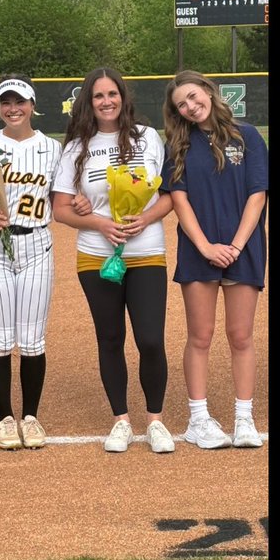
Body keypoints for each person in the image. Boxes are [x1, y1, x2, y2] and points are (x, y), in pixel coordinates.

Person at [53, 67, 176, 453]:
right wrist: (98, 222)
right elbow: (60, 209)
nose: (106, 101)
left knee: (151, 339)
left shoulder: (148, 138)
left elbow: (170, 195)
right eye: (98, 96)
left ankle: (155, 421)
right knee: (110, 338)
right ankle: (121, 420)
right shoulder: (76, 147)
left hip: (146, 252)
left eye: (112, 94)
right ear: (88, 103)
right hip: (96, 255)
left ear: (123, 97)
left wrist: (147, 217)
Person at [0, 74, 73, 450]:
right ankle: (5, 418)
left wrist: (81, 203)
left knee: (33, 339)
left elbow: (64, 198)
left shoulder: (53, 149)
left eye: (19, 101)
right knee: (0, 337)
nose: (13, 109)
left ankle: (32, 416)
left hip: (37, 242)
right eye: (6, 102)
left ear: (33, 104)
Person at [161, 70, 269, 450]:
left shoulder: (248, 135)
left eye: (193, 96)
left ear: (208, 90)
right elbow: (178, 198)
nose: (191, 107)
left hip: (244, 247)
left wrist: (236, 246)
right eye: (181, 105)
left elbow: (258, 194)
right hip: (198, 250)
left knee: (241, 335)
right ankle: (198, 419)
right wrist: (206, 247)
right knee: (200, 336)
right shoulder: (179, 143)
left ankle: (244, 418)